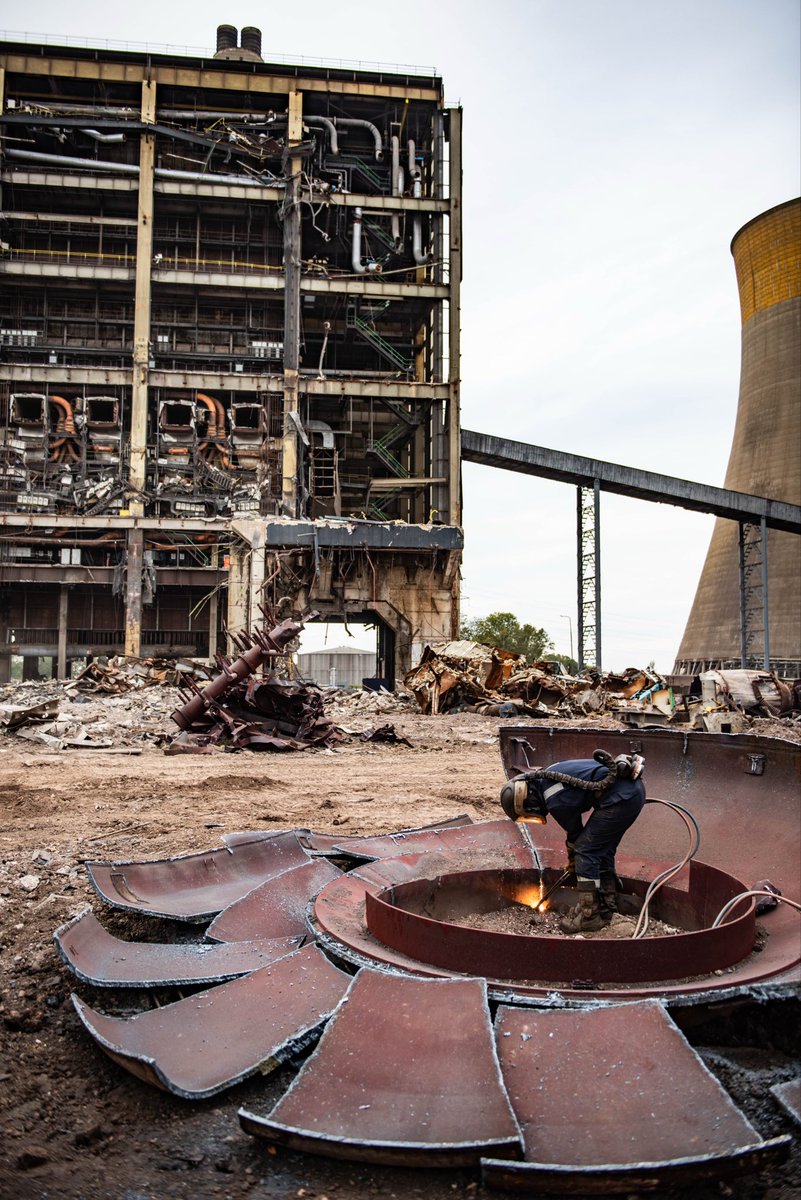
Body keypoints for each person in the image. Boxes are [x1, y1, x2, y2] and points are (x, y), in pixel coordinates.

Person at [499, 751, 646, 933]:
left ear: (527, 802)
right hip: (631, 793)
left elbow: (577, 837)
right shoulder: (550, 776)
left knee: (586, 850)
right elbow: (576, 834)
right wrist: (573, 859)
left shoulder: (553, 798)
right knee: (601, 849)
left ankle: (589, 917)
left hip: (621, 799)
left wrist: (575, 861)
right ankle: (608, 906)